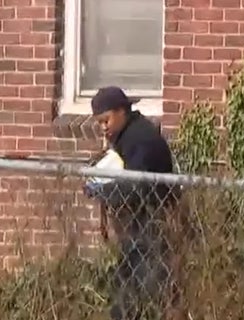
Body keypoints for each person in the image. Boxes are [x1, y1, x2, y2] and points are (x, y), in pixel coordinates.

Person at [83, 86, 179, 320]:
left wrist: (103, 190)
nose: (103, 127)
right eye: (99, 123)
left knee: (144, 287)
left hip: (152, 222)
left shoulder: (140, 139)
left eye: (106, 120)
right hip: (139, 223)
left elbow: (136, 183)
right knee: (127, 284)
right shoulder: (129, 134)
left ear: (121, 111)